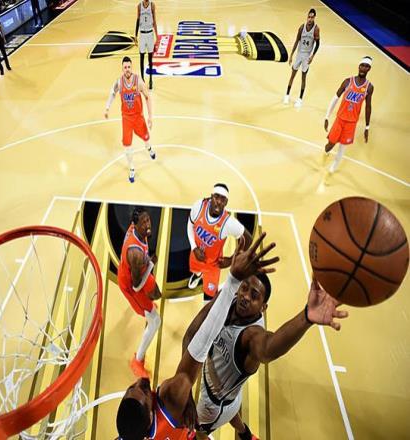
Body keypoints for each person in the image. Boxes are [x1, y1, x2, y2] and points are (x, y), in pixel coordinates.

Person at [116, 233, 279, 440]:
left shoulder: (130, 434)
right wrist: (231, 282)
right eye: (144, 392)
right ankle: (242, 433)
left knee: (230, 407)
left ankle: (244, 432)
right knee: (203, 430)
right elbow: (197, 347)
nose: (141, 382)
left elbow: (191, 338)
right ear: (149, 417)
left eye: (132, 387)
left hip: (226, 396)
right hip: (214, 405)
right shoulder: (172, 396)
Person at [183, 272, 347, 439]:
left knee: (198, 433)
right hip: (230, 397)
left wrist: (306, 317)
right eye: (244, 288)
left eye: (254, 296)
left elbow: (268, 348)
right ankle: (245, 434)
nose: (246, 296)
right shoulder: (226, 300)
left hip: (213, 406)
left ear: (263, 307)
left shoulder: (251, 336)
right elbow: (190, 335)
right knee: (232, 409)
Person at [187, 183, 252, 302]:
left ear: (226, 202)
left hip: (213, 264)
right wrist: (194, 247)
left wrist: (232, 260)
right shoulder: (199, 206)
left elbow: (247, 239)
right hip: (196, 253)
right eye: (216, 197)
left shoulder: (228, 223)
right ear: (211, 197)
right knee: (195, 270)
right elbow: (190, 225)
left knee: (209, 297)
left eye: (223, 199)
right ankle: (198, 275)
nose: (219, 202)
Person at [118, 207, 162, 378]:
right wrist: (150, 264)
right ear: (135, 225)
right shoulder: (135, 254)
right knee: (155, 321)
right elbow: (136, 286)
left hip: (133, 271)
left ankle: (147, 307)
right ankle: (137, 360)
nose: (147, 224)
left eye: (148, 220)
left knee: (155, 296)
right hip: (131, 285)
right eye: (143, 222)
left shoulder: (135, 230)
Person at [104, 56, 156, 183]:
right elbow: (112, 93)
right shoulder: (119, 82)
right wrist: (107, 108)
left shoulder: (138, 82)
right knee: (127, 144)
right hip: (126, 118)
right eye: (125, 67)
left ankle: (149, 147)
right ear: (122, 69)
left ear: (131, 67)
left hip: (138, 116)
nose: (127, 69)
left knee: (145, 137)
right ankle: (132, 167)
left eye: (129, 67)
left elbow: (147, 97)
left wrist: (150, 116)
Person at [323, 57, 374, 174]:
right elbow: (335, 98)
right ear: (359, 66)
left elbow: (368, 107)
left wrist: (367, 127)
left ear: (369, 69)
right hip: (340, 119)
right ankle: (326, 151)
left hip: (351, 123)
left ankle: (333, 167)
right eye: (362, 65)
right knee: (330, 144)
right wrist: (327, 116)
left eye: (366, 66)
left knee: (342, 147)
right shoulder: (347, 81)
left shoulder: (369, 87)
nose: (363, 68)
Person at [283, 9, 320, 108]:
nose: (310, 19)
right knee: (292, 75)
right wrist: (291, 55)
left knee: (303, 78)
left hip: (307, 56)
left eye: (312, 17)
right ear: (307, 17)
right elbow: (296, 41)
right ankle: (287, 95)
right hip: (299, 54)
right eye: (309, 17)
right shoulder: (301, 27)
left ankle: (300, 99)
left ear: (314, 18)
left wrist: (312, 56)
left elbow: (318, 44)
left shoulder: (316, 29)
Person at [135, 0, 158, 90]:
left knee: (150, 59)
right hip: (142, 34)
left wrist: (157, 35)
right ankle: (142, 80)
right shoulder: (139, 6)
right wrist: (135, 35)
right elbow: (137, 20)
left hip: (150, 34)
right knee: (141, 57)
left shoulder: (152, 5)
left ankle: (151, 80)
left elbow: (154, 21)